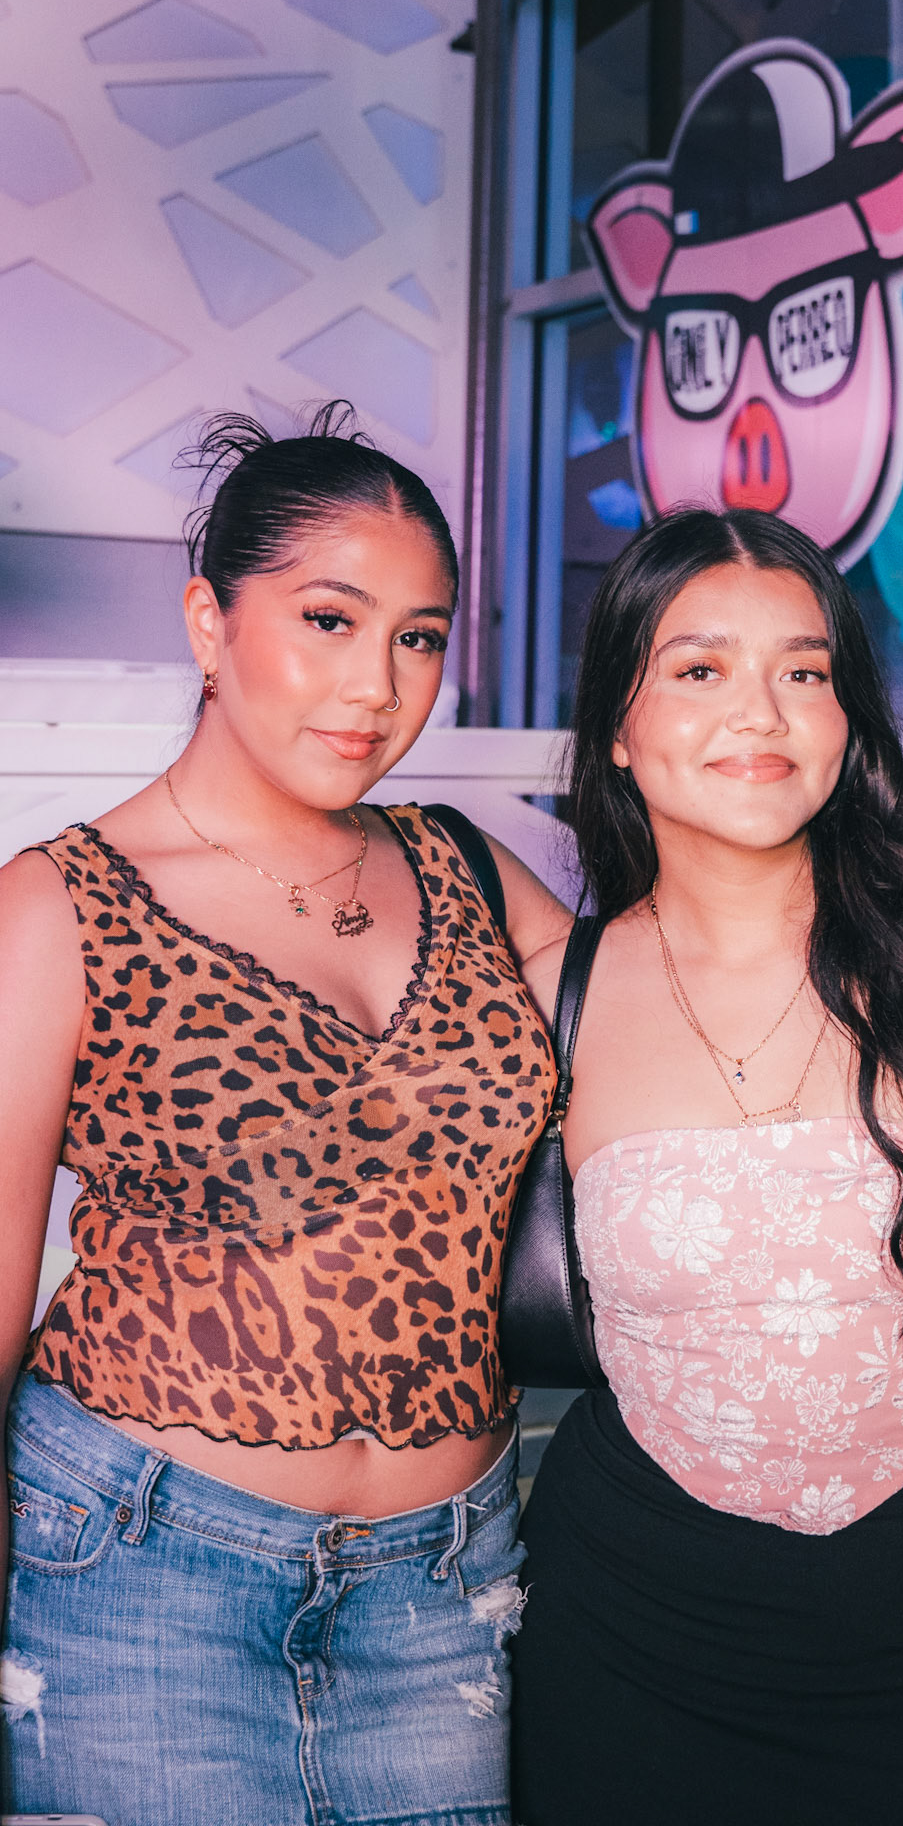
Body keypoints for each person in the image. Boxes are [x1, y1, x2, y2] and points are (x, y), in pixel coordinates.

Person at [0, 407, 568, 1826]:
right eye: (329, 619)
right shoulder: (58, 908)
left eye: (419, 637)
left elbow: (686, 1016)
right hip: (139, 1572)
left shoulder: (468, 871)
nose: (376, 686)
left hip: (443, 1588)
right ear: (210, 621)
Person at [510, 508, 903, 1826]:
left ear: (846, 718)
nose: (759, 712)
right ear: (619, 723)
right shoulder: (547, 992)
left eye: (803, 671)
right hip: (627, 1628)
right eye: (699, 669)